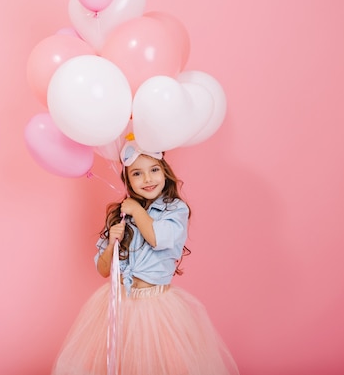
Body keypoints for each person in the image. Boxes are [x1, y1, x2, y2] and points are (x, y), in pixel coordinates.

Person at [51, 136, 239, 375]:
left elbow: (156, 238)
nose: (148, 179)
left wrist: (137, 210)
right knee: (121, 363)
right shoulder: (121, 215)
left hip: (156, 305)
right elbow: (103, 269)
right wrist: (111, 244)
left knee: (156, 363)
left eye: (153, 170)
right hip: (118, 303)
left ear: (165, 172)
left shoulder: (174, 210)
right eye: (137, 173)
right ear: (127, 179)